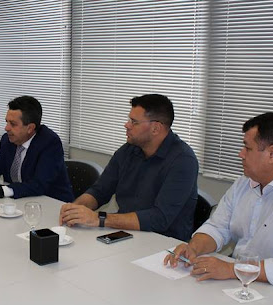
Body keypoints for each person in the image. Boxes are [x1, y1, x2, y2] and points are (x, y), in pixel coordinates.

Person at [165, 112, 273, 289]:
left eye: (247, 148)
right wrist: (193, 248)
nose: (241, 154)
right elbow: (218, 227)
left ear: (272, 154)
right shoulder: (245, 183)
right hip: (244, 283)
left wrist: (231, 269)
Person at [59, 94, 198, 241]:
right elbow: (100, 191)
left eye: (134, 122)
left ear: (155, 128)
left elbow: (159, 218)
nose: (127, 125)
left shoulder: (183, 160)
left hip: (163, 242)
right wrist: (75, 208)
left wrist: (99, 219)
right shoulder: (129, 150)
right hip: (125, 233)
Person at [0, 96, 74, 203]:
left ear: (30, 128)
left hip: (53, 204)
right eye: (6, 122)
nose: (6, 128)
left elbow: (38, 185)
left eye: (13, 124)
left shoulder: (50, 143)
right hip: (18, 202)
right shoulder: (8, 139)